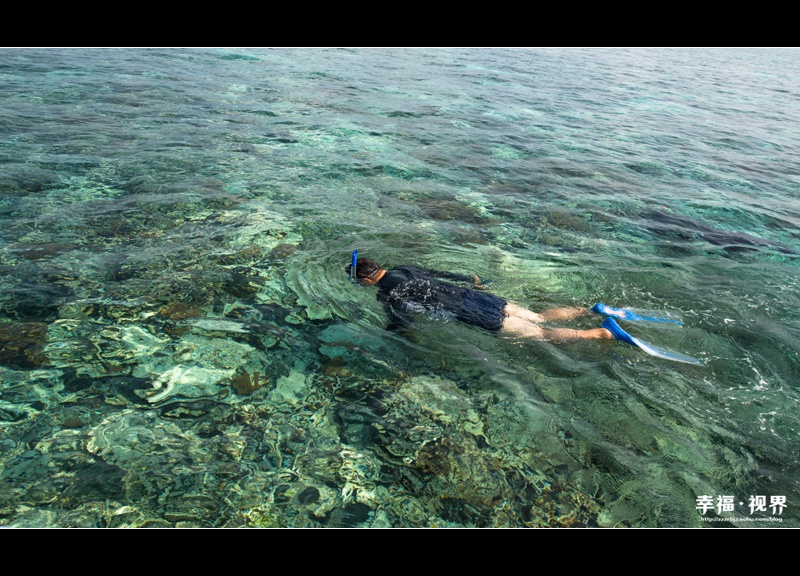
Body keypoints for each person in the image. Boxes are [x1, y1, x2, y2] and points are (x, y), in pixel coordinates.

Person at [346, 256, 614, 342]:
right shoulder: (403, 269)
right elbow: (436, 273)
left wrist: (392, 335)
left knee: (541, 333)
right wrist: (468, 278)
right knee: (539, 317)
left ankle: (598, 334)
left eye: (359, 282)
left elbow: (400, 319)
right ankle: (589, 310)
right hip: (473, 296)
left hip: (466, 312)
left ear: (367, 280)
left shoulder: (385, 293)